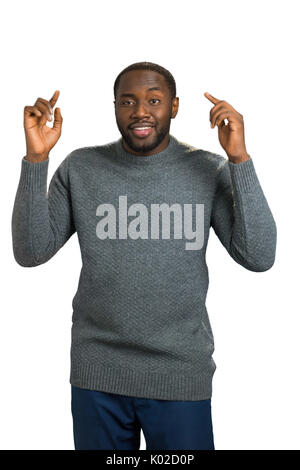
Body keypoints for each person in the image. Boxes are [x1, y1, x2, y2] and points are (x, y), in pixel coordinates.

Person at [11, 61, 277, 450]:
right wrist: (36, 160)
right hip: (97, 375)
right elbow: (31, 252)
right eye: (128, 101)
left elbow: (259, 256)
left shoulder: (208, 169)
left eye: (154, 100)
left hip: (180, 374)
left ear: (174, 107)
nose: (140, 111)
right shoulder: (82, 168)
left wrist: (239, 159)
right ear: (115, 107)